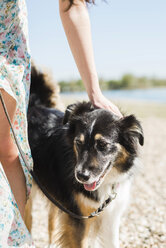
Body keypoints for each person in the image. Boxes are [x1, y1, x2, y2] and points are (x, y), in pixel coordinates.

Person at [0, 0, 122, 246]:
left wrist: (94, 91)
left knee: (8, 152)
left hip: (8, 46)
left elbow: (73, 5)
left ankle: (15, 241)